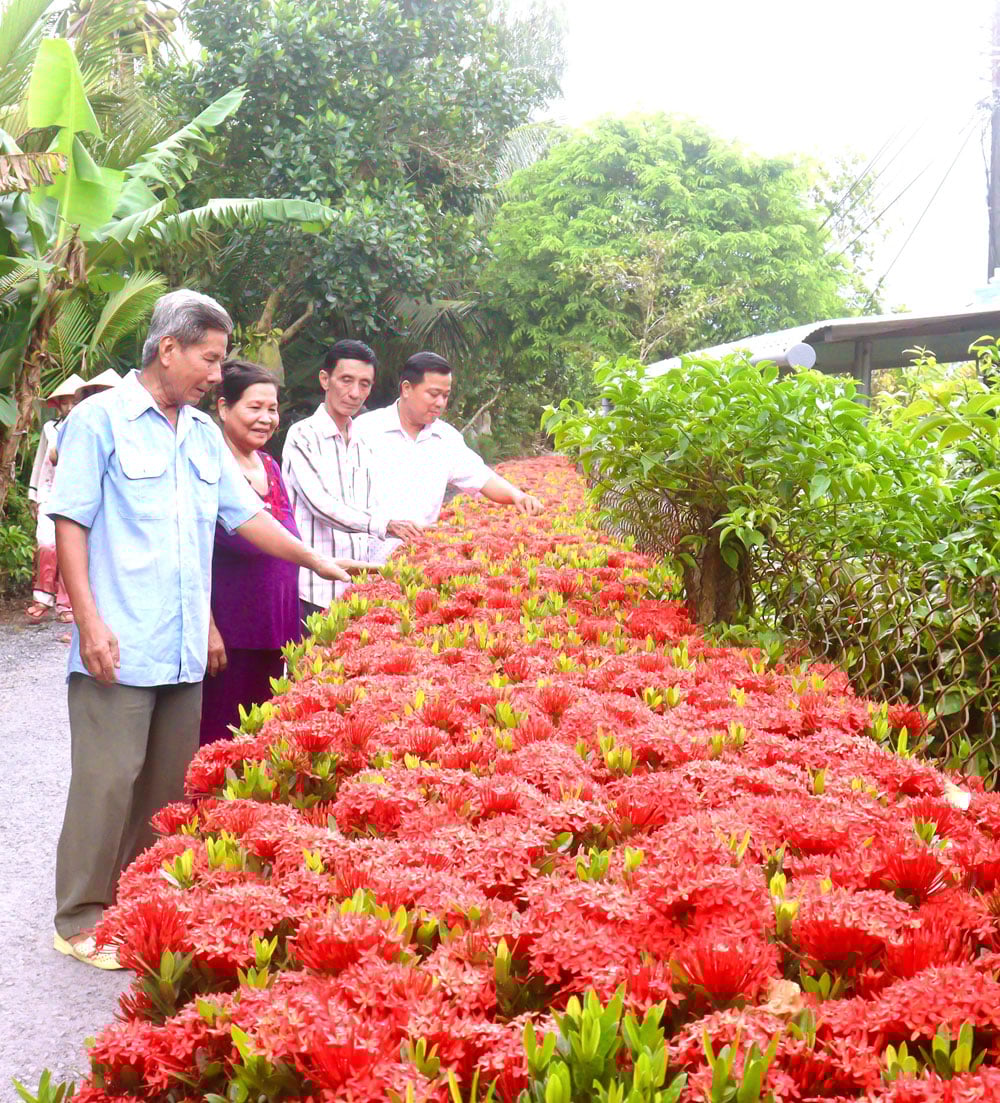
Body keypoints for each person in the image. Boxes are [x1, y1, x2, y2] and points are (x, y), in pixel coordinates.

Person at [46, 289, 355, 970]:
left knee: (162, 789)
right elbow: (71, 522)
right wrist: (89, 623)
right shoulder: (101, 421)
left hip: (183, 649)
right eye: (210, 359)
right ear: (169, 349)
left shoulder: (199, 434)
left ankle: (133, 907)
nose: (219, 373)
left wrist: (317, 560)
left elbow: (244, 515)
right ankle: (77, 918)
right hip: (120, 644)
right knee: (107, 780)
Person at [353, 351, 544, 562]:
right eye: (433, 394)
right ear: (406, 388)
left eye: (445, 395)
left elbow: (481, 477)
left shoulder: (446, 438)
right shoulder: (365, 431)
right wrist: (384, 523)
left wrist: (518, 496)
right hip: (364, 555)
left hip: (418, 556)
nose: (440, 403)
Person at [282, 339, 423, 620]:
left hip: (355, 593)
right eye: (346, 380)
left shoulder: (363, 441)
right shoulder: (303, 436)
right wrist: (385, 525)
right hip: (311, 591)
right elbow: (322, 506)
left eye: (365, 384)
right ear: (325, 379)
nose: (355, 393)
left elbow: (372, 507)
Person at [200, 359, 302, 746]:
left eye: (272, 408)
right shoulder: (209, 469)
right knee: (219, 742)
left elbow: (287, 541)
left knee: (264, 742)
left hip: (278, 632)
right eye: (254, 407)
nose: (266, 418)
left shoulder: (270, 467)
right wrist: (207, 628)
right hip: (229, 639)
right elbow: (192, 556)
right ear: (224, 408)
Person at [26, 373, 85, 623]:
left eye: (73, 401)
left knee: (71, 550)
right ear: (57, 404)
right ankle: (42, 599)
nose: (69, 406)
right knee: (47, 545)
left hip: (78, 498)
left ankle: (66, 603)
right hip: (50, 494)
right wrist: (34, 496)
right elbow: (41, 463)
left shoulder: (88, 429)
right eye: (64, 401)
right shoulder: (51, 428)